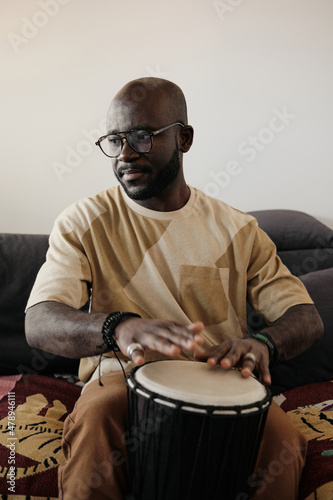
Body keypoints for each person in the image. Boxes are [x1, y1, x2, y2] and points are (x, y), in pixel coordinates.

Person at [25, 77, 323, 500]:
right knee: (97, 417)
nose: (125, 153)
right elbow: (39, 322)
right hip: (121, 378)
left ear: (184, 138)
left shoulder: (239, 230)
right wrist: (119, 327)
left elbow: (305, 317)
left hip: (219, 380)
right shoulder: (84, 221)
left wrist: (263, 344)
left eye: (143, 137)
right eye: (115, 139)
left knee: (281, 440)